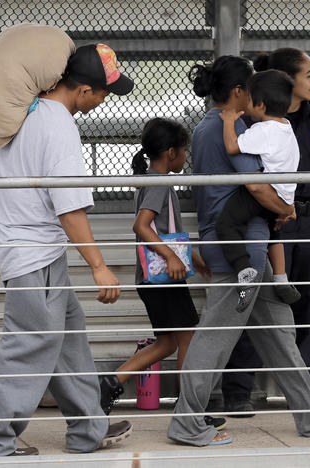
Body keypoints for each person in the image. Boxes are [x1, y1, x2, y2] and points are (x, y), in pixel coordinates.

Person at [0, 44, 134, 457]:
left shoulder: (29, 111)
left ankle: (89, 429)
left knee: (68, 337)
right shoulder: (58, 125)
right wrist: (99, 265)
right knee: (29, 346)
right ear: (85, 90)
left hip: (34, 249)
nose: (104, 100)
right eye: (105, 92)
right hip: (33, 253)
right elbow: (69, 205)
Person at [166, 55, 310, 447]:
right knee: (216, 333)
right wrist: (288, 209)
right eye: (253, 89)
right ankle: (187, 421)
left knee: (278, 332)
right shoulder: (229, 128)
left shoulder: (210, 127)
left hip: (250, 249)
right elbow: (258, 186)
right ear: (239, 93)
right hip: (238, 254)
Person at [221, 48, 310, 416]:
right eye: (309, 74)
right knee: (256, 300)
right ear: (286, 79)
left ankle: (308, 389)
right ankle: (237, 388)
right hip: (268, 219)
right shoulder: (254, 120)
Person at [98, 117, 225, 430]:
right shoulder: (158, 182)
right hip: (163, 281)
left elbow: (170, 233)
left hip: (154, 279)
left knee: (168, 343)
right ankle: (188, 411)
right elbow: (141, 226)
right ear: (171, 153)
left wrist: (195, 260)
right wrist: (171, 257)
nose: (186, 158)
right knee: (190, 339)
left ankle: (110, 382)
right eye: (184, 151)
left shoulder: (155, 181)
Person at [217, 69, 302, 312]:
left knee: (227, 224)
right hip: (285, 195)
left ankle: (243, 269)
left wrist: (229, 121)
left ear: (261, 105)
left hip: (264, 195)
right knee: (274, 233)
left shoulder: (262, 131)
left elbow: (233, 147)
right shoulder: (287, 128)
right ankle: (281, 277)